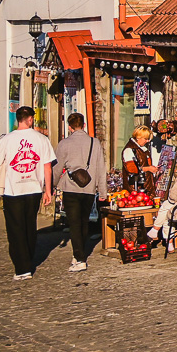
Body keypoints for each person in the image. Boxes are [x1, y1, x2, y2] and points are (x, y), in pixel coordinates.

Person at [0, 107, 56, 280]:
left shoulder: (6, 139)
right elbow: (47, 167)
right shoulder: (42, 139)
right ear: (30, 119)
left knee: (15, 228)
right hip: (34, 188)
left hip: (13, 189)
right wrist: (48, 191)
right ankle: (28, 258)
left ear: (18, 119)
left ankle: (22, 268)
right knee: (30, 225)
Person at [53, 112, 106, 272]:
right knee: (84, 222)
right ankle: (79, 254)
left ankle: (80, 258)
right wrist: (102, 191)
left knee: (74, 223)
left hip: (71, 187)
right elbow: (101, 168)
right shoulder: (95, 142)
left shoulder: (64, 144)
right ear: (84, 125)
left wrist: (51, 186)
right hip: (89, 188)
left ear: (69, 127)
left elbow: (57, 168)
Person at [121, 125, 156, 191]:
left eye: (148, 139)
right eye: (145, 139)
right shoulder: (129, 150)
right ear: (138, 137)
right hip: (136, 188)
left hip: (147, 187)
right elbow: (132, 170)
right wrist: (148, 168)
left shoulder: (144, 150)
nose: (147, 141)